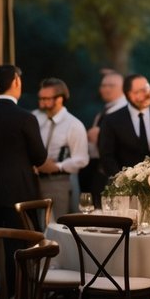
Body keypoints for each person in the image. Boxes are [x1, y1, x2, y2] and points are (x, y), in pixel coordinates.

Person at [0, 64, 47, 297]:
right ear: (16, 81)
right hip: (18, 190)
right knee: (18, 246)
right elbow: (40, 157)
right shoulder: (25, 118)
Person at [99, 73, 150, 178]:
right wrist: (120, 180)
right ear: (129, 95)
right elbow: (107, 156)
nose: (147, 94)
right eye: (141, 91)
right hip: (125, 187)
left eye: (148, 89)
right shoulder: (112, 120)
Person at [32, 77, 89, 222]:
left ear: (60, 99)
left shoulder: (74, 124)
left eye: (46, 98)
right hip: (32, 180)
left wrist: (56, 166)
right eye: (40, 98)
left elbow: (81, 159)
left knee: (56, 225)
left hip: (58, 181)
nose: (41, 102)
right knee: (33, 225)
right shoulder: (34, 118)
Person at [83, 69, 127, 205]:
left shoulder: (125, 112)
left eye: (111, 85)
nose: (106, 89)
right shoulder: (103, 112)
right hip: (100, 171)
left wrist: (100, 137)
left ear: (123, 88)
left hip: (120, 172)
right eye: (103, 85)